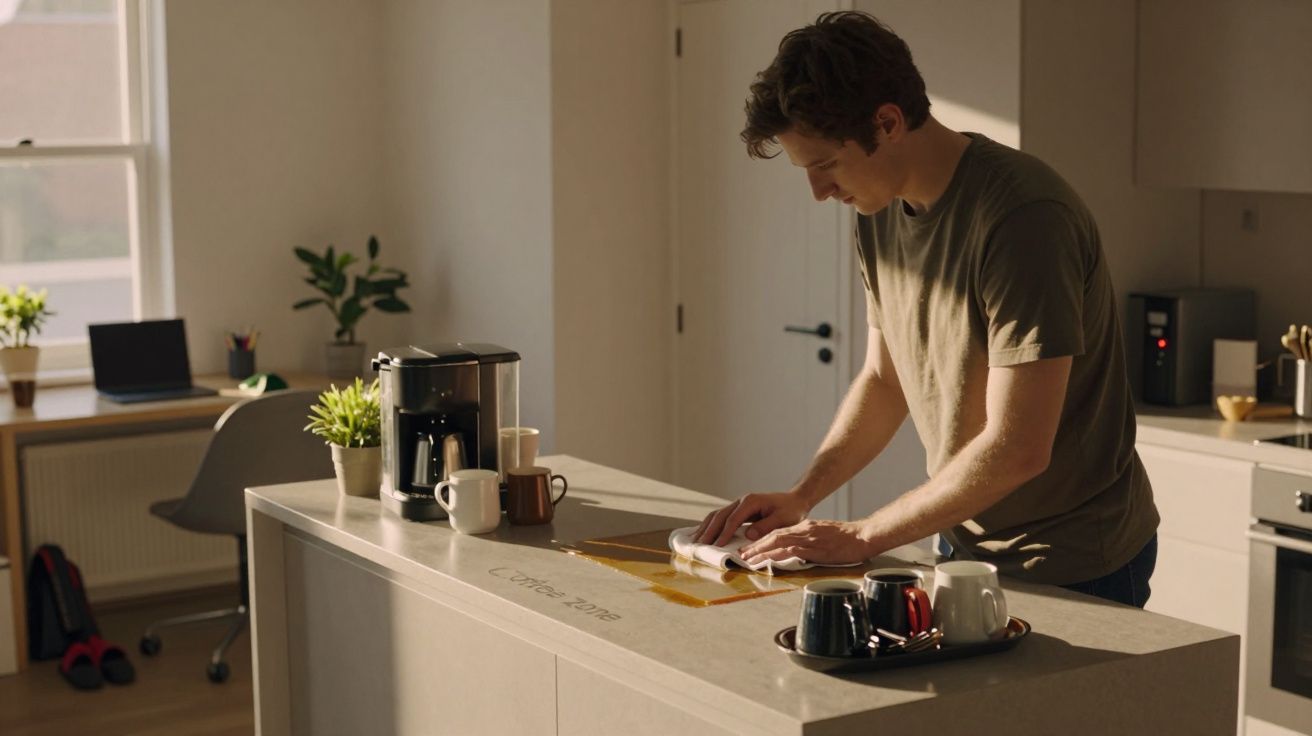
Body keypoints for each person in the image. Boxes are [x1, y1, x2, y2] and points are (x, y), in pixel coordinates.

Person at [691, 11, 1158, 607]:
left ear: (886, 122)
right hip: (962, 542)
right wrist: (803, 495)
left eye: (825, 165)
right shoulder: (879, 212)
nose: (819, 192)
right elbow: (885, 381)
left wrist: (862, 535)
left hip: (1071, 561)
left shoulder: (1024, 220)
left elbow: (1019, 448)